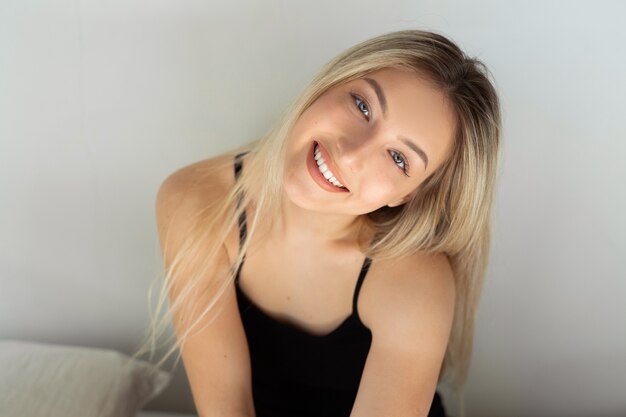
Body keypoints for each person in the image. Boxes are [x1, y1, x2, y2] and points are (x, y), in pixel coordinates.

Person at [134, 29, 501, 417]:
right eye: (362, 106)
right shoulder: (195, 199)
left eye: (398, 159)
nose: (351, 153)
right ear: (328, 84)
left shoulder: (414, 280)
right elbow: (226, 409)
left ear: (407, 196)